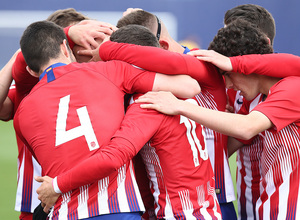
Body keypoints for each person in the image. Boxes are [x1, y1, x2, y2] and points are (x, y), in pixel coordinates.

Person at [13, 20, 200, 220]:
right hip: (117, 209)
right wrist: (110, 53)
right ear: (65, 48)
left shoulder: (21, 114)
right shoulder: (111, 71)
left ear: (32, 71)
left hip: (65, 213)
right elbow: (190, 87)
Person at [135, 20, 300, 220]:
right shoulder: (260, 101)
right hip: (267, 209)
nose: (228, 84)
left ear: (247, 66)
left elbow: (247, 128)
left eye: (228, 74)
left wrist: (181, 107)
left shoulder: (292, 89)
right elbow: (227, 146)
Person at [96, 9, 237, 219]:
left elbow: (171, 63)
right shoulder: (159, 89)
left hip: (210, 202)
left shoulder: (200, 65)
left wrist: (106, 48)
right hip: (195, 205)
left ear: (159, 48)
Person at [0, 8, 95, 220]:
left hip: (89, 202)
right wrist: (19, 55)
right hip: (37, 203)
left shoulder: (97, 84)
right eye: (76, 45)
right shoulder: (29, 88)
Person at [223, 4, 276, 219]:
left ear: (264, 42)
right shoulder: (231, 83)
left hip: (284, 205)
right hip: (247, 202)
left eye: (236, 39)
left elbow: (246, 129)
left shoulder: (287, 86)